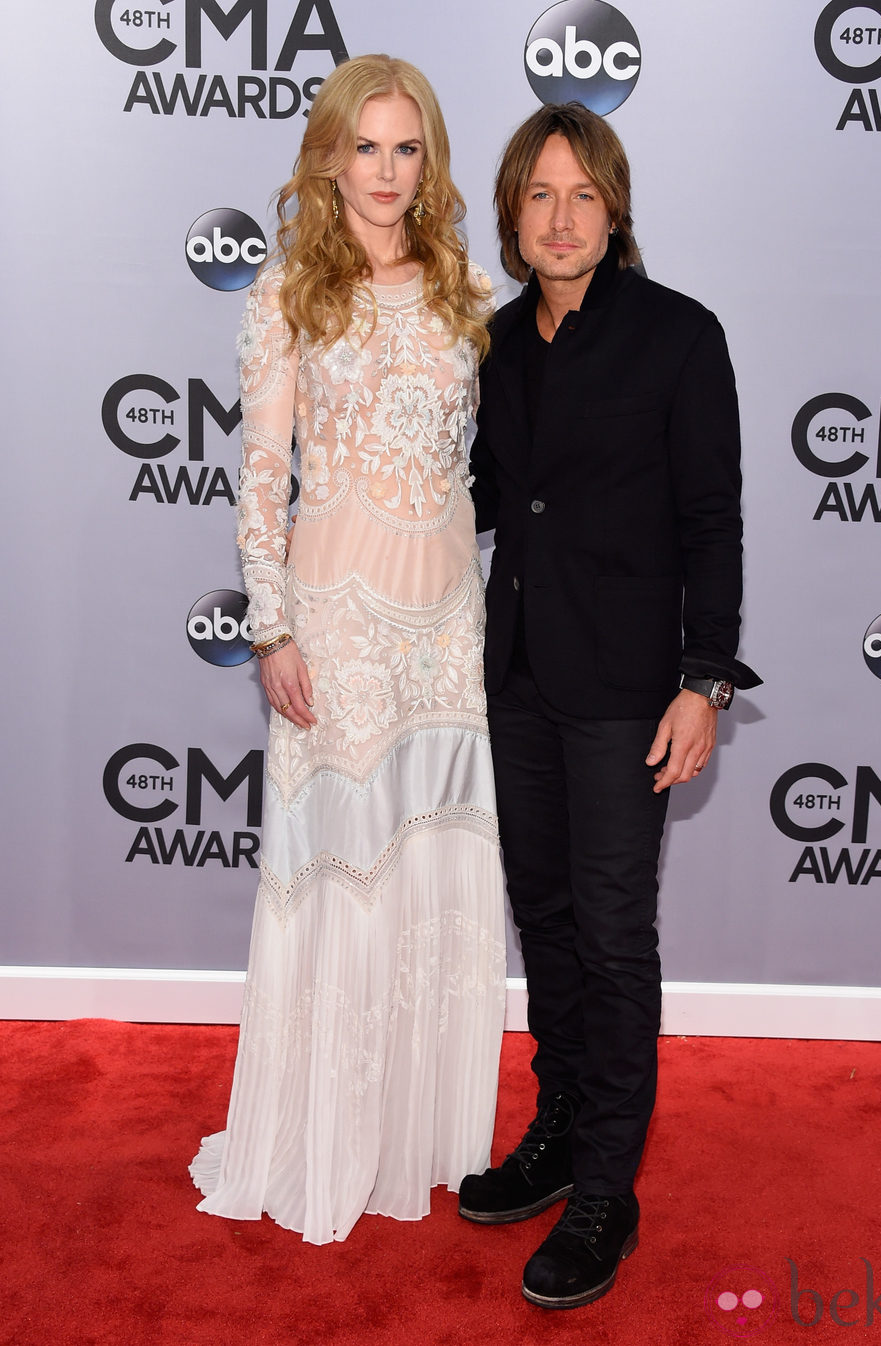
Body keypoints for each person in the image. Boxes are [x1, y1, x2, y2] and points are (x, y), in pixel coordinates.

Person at [190, 54, 505, 1246]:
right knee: (346, 882)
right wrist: (268, 624)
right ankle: (324, 1133)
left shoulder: (467, 286)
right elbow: (261, 475)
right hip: (340, 627)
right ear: (329, 157)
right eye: (364, 147)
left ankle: (418, 1137)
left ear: (429, 162)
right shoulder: (288, 290)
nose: (384, 170)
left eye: (405, 147)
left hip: (447, 634)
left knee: (434, 875)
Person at [458, 103, 761, 1307]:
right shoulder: (492, 344)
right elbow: (475, 500)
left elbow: (712, 523)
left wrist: (704, 678)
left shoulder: (679, 337)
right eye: (538, 195)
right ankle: (561, 1122)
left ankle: (605, 1190)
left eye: (582, 194)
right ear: (510, 215)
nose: (561, 216)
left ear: (615, 207)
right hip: (517, 678)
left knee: (611, 930)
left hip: (629, 690)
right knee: (544, 917)